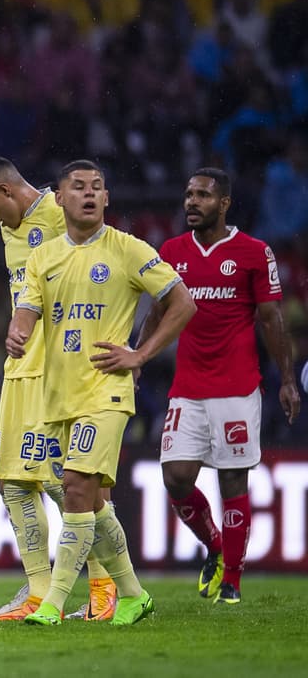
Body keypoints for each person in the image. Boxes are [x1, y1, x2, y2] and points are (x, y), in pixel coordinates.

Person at [7, 159, 197, 626]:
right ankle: (132, 595)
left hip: (107, 391)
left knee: (74, 487)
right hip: (59, 395)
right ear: (61, 197)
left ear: (107, 198)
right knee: (92, 500)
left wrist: (140, 354)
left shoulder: (129, 250)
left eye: (97, 187)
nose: (89, 194)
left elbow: (183, 302)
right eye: (78, 187)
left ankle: (52, 602)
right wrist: (17, 331)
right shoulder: (43, 256)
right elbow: (27, 312)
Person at [0, 155, 117, 621]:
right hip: (20, 368)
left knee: (67, 482)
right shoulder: (9, 228)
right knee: (12, 481)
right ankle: (36, 590)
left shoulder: (62, 212)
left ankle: (104, 586)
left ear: (7, 191)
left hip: (61, 368)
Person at [144, 168, 301, 605]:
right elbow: (158, 314)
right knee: (175, 477)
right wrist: (138, 359)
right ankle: (214, 543)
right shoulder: (172, 251)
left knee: (233, 480)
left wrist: (287, 380)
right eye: (188, 194)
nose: (192, 202)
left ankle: (232, 579)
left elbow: (271, 318)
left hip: (236, 386)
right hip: (188, 386)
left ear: (224, 202)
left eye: (203, 196)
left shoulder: (254, 252)